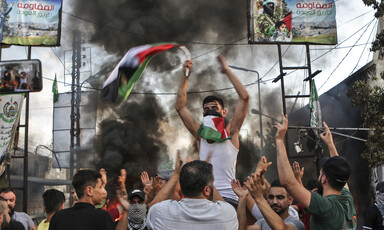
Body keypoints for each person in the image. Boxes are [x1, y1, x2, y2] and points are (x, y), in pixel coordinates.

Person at [176, 55, 249, 207]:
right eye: (206, 109)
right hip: (204, 199)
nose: (210, 111)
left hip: (229, 200)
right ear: (203, 114)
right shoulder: (200, 135)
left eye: (214, 108)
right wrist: (186, 75)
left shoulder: (232, 133)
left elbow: (244, 98)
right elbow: (180, 108)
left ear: (224, 112)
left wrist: (227, 70)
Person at [274, 115, 357, 229]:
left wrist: (279, 140)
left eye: (321, 172)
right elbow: (340, 168)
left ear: (323, 179)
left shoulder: (326, 206)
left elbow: (287, 182)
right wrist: (330, 144)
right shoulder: (347, 199)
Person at [146, 152, 240, 230]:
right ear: (206, 190)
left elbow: (152, 207)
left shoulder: (160, 212)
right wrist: (207, 180)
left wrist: (175, 175)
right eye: (212, 184)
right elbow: (225, 206)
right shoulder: (227, 214)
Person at [48, 169, 130, 230]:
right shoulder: (102, 217)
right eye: (100, 187)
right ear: (89, 190)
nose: (104, 192)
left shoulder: (57, 217)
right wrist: (126, 210)